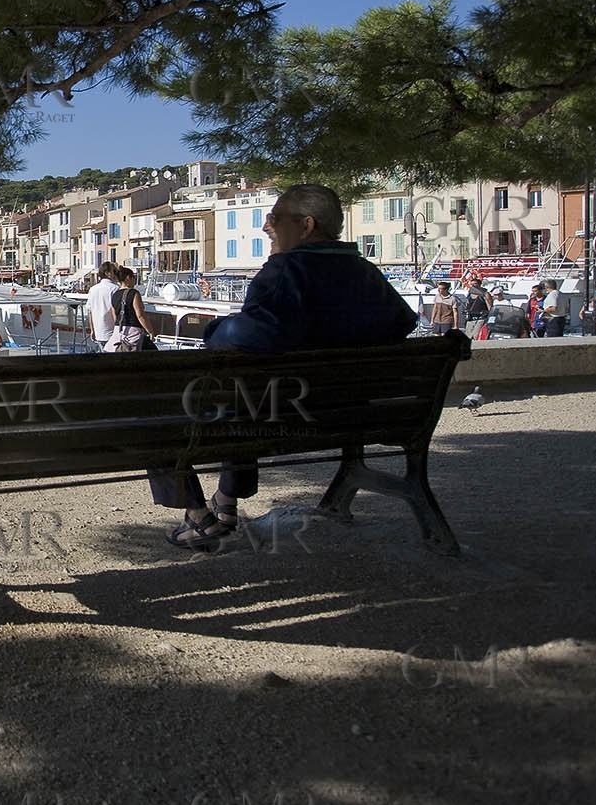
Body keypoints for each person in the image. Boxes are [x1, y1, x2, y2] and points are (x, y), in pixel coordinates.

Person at [159, 184, 418, 548]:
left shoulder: (285, 271)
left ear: (306, 225)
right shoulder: (365, 272)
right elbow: (402, 322)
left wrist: (215, 327)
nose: (267, 226)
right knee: (242, 398)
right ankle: (226, 503)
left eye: (274, 218)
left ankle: (200, 517)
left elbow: (249, 337)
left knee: (166, 415)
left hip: (280, 415)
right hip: (353, 416)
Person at [109, 266, 156, 351]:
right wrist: (150, 331)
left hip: (118, 332)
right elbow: (140, 315)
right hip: (133, 333)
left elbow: (114, 316)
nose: (135, 280)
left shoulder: (114, 295)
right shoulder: (134, 293)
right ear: (128, 278)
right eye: (134, 277)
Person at [85, 261, 120, 351]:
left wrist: (92, 330)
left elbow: (90, 312)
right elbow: (116, 311)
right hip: (112, 333)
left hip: (99, 332)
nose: (117, 274)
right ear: (108, 273)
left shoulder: (93, 289)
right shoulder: (115, 289)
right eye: (114, 271)